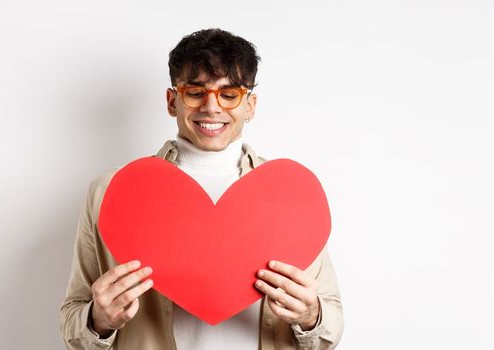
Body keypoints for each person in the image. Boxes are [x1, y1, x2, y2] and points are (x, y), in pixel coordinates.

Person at [60, 28, 343, 350]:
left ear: (249, 105)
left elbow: (330, 320)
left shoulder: (290, 193)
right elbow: (73, 316)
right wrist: (98, 320)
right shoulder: (111, 191)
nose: (212, 107)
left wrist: (310, 316)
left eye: (229, 94)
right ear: (172, 100)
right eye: (195, 92)